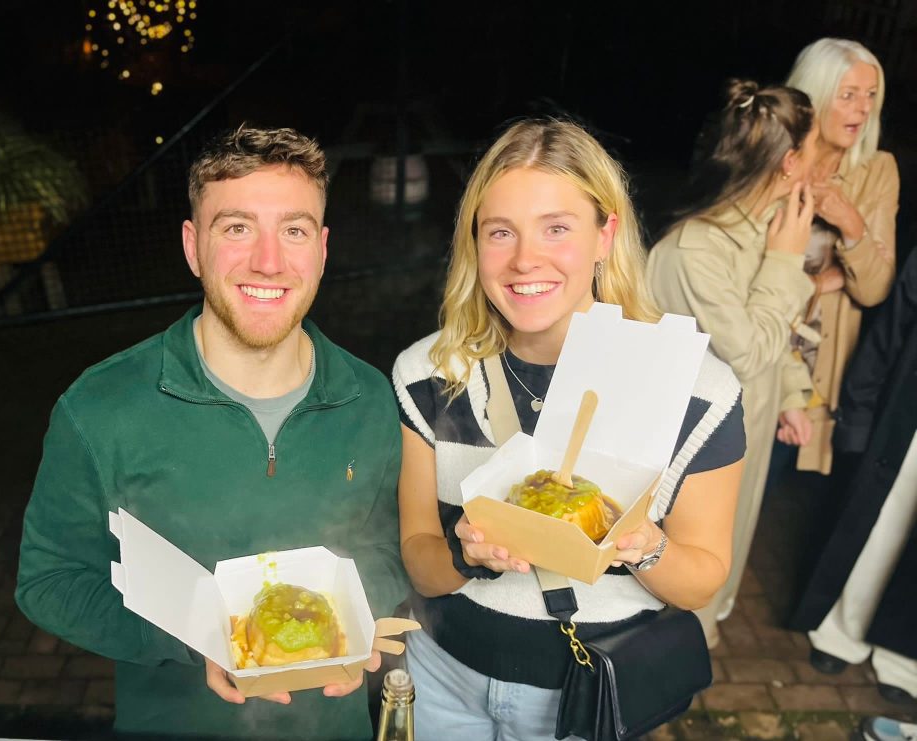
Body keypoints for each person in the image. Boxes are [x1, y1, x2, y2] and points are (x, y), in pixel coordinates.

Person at [15, 125, 409, 741]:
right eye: (237, 227)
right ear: (193, 246)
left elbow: (389, 548)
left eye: (294, 230)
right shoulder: (99, 408)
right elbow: (50, 580)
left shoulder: (369, 398)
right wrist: (195, 633)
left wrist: (357, 613)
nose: (269, 261)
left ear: (323, 249)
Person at [393, 118, 746, 740]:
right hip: (440, 676)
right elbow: (421, 563)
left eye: (557, 228)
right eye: (500, 232)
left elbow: (702, 579)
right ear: (475, 243)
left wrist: (642, 542)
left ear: (605, 233)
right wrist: (467, 554)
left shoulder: (694, 389)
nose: (526, 259)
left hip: (583, 695)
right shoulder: (428, 372)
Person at [646, 80, 820, 645]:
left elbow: (774, 332)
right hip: (697, 448)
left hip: (749, 425)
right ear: (793, 161)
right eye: (812, 148)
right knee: (690, 563)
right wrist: (788, 262)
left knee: (728, 551)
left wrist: (793, 392)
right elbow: (746, 351)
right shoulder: (700, 248)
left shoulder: (769, 225)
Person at [791, 247, 917, 704]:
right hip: (909, 419)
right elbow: (889, 335)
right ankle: (844, 630)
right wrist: (858, 418)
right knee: (884, 524)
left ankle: (905, 658)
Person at [775, 37, 898, 473]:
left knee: (765, 482)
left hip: (812, 369)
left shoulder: (877, 170)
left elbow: (876, 289)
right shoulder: (773, 159)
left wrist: (851, 224)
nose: (863, 110)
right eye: (848, 96)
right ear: (814, 95)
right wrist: (818, 282)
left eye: (871, 96)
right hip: (749, 345)